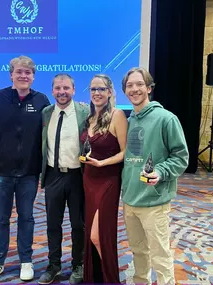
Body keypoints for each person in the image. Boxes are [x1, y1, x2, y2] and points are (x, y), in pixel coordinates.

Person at [0, 55, 50, 284]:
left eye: (28, 73)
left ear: (33, 76)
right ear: (11, 75)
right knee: (0, 219)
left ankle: (26, 261)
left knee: (27, 218)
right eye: (19, 72)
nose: (24, 76)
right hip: (0, 171)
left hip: (29, 173)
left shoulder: (42, 100)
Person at [121, 67, 189, 285]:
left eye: (139, 84)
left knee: (160, 254)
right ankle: (141, 281)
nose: (135, 89)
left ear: (148, 88)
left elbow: (181, 157)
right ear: (125, 91)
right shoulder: (128, 121)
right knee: (138, 251)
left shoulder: (166, 119)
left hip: (154, 201)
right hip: (130, 199)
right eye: (130, 85)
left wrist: (160, 172)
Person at [39, 74, 90, 284]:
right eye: (58, 88)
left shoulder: (84, 111)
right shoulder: (46, 113)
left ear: (74, 90)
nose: (62, 92)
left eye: (66, 88)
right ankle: (54, 265)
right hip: (53, 175)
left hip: (77, 175)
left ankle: (78, 264)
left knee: (78, 224)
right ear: (52, 91)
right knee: (53, 224)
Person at [80, 74, 128, 283]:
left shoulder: (117, 116)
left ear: (110, 92)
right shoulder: (89, 118)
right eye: (93, 89)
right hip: (89, 179)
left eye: (101, 89)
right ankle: (96, 277)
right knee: (91, 233)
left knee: (98, 235)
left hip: (108, 180)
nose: (97, 93)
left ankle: (109, 278)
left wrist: (103, 163)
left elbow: (126, 152)